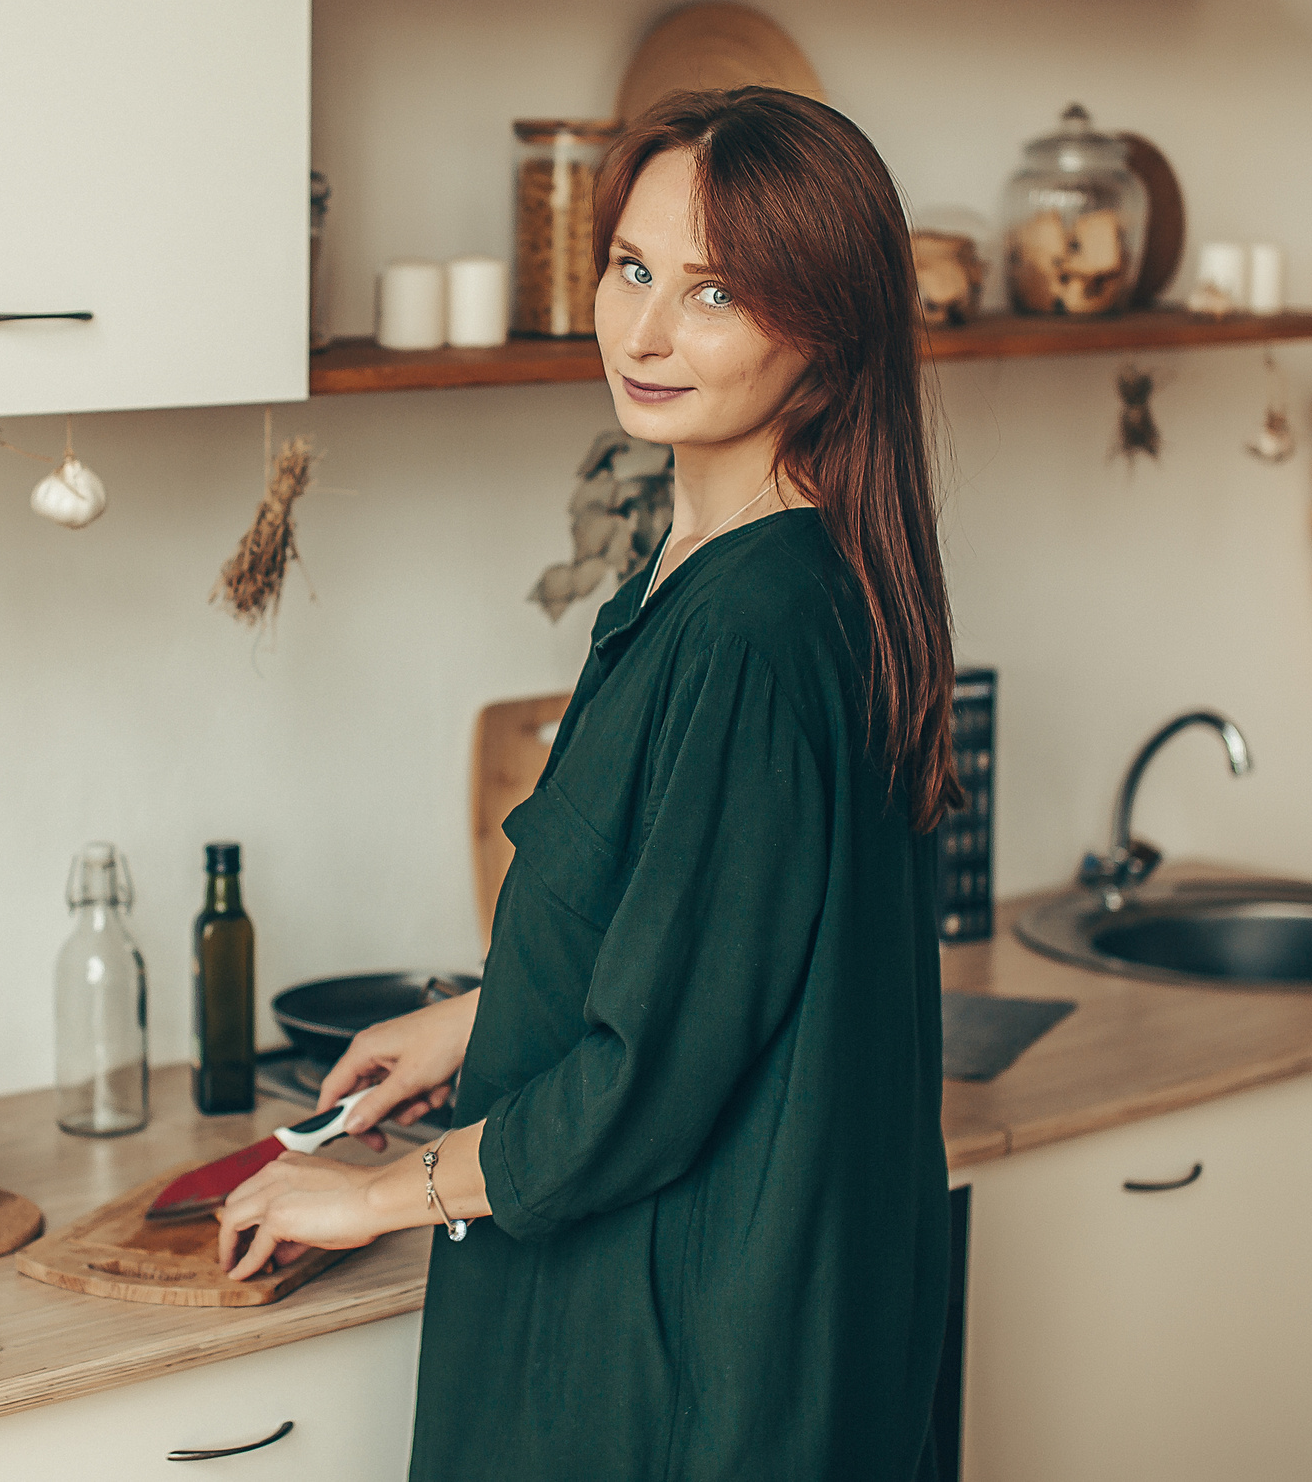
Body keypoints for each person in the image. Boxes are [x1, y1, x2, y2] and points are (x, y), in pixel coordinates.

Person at [217, 87, 958, 1481]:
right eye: (631, 268)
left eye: (716, 292)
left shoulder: (751, 634)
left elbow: (647, 1083)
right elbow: (694, 950)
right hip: (728, 1324)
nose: (645, 331)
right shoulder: (728, 575)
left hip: (691, 1360)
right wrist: (473, 1023)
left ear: (827, 329)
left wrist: (369, 1197)